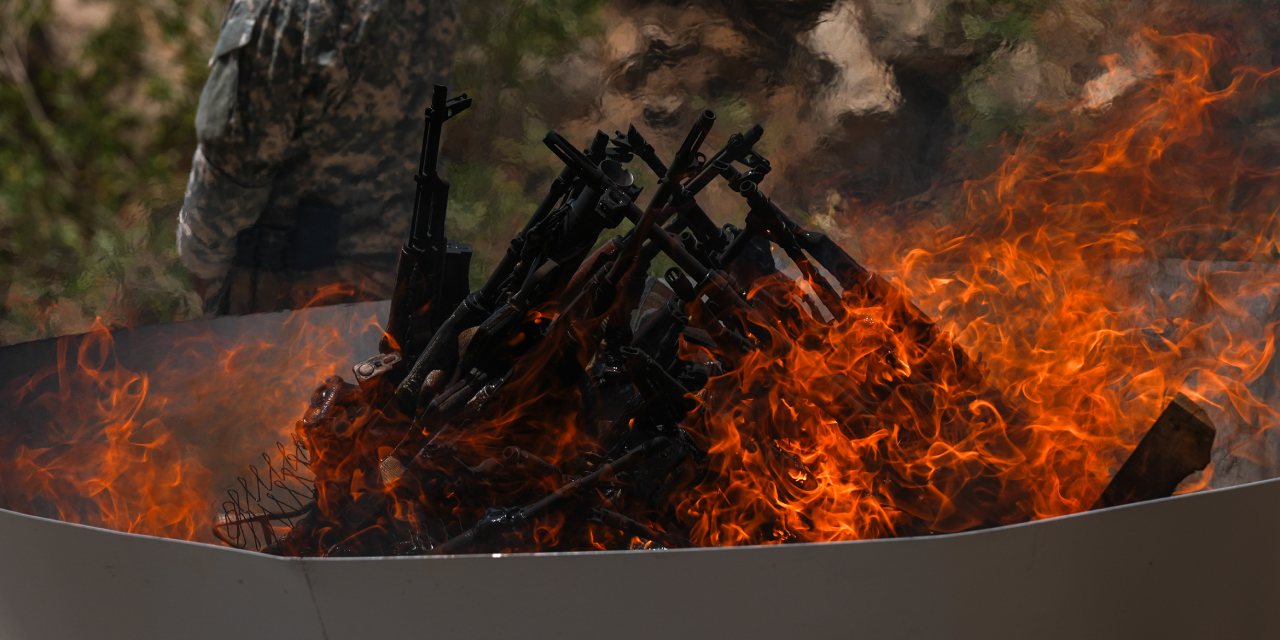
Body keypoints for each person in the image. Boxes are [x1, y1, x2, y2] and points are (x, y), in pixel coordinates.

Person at [177, 0, 457, 314]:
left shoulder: (278, 8)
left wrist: (203, 266)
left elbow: (232, 164)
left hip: (291, 307)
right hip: (395, 291)